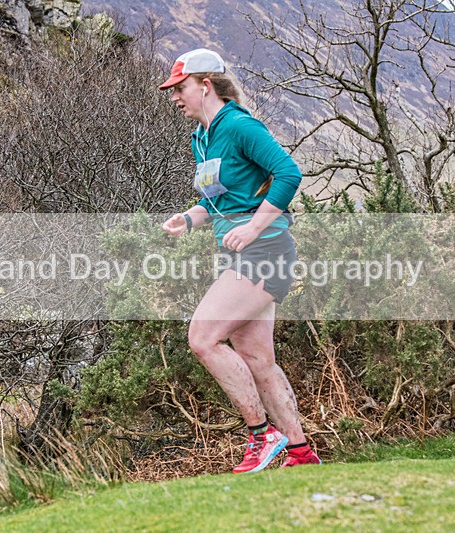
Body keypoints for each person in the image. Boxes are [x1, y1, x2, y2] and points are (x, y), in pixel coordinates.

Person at [160, 49, 321, 472]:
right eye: (173, 91)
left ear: (204, 85)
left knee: (202, 337)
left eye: (180, 88)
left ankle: (261, 434)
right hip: (236, 254)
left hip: (265, 250)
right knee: (257, 361)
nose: (175, 97)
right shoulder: (202, 137)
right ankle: (302, 454)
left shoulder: (240, 126)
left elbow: (289, 174)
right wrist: (190, 219)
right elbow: (219, 201)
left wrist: (252, 228)